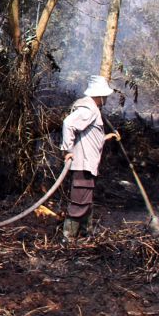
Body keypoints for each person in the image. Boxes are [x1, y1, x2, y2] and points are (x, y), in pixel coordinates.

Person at [60, 74, 122, 240]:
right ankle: (68, 238)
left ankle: (87, 233)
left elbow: (89, 138)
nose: (107, 99)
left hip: (88, 164)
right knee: (79, 201)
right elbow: (68, 123)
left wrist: (106, 137)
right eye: (105, 96)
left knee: (85, 199)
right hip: (83, 164)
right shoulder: (89, 109)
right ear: (99, 95)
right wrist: (67, 150)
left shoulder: (91, 109)